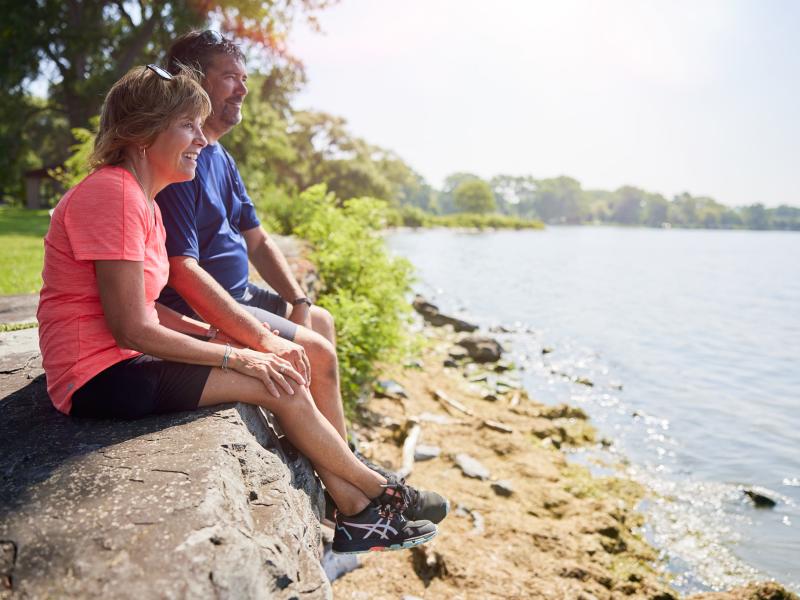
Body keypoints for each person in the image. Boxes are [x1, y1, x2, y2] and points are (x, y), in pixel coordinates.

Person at [36, 64, 439, 554]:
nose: (201, 140)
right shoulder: (114, 194)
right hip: (96, 377)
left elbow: (146, 308)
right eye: (188, 125)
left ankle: (357, 511)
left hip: (118, 361)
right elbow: (131, 328)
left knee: (276, 371)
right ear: (142, 131)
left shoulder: (141, 199)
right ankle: (380, 493)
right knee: (278, 383)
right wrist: (238, 357)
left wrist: (212, 336)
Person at [155, 31, 449, 525]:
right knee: (317, 351)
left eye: (244, 79)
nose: (243, 90)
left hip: (242, 292)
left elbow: (259, 240)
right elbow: (181, 272)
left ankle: (344, 463)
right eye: (230, 77)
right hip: (208, 305)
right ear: (192, 80)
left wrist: (298, 298)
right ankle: (352, 494)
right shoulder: (180, 157)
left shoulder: (220, 157)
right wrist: (260, 336)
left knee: (322, 323)